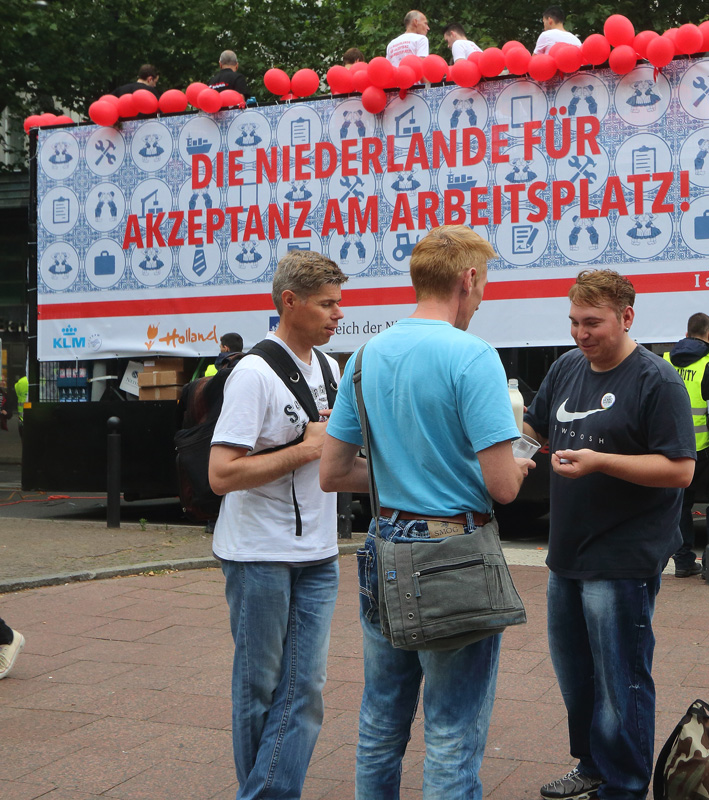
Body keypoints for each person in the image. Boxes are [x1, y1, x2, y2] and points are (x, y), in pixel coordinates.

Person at [320, 225, 533, 798]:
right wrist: (514, 466)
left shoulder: (364, 357)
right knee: (451, 732)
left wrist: (401, 470)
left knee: (379, 722)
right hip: (455, 555)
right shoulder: (474, 356)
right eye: (483, 283)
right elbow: (504, 487)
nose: (483, 296)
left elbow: (333, 473)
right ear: (468, 280)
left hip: (383, 548)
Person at [524, 269, 695, 800]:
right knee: (577, 678)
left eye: (592, 323)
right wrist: (509, 456)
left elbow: (680, 470)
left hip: (624, 557)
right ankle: (592, 766)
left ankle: (623, 785)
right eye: (574, 322)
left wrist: (602, 462)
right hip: (567, 553)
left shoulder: (655, 380)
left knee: (621, 681)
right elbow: (535, 429)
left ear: (626, 317)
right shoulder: (567, 367)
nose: (581, 334)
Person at [207, 250, 347, 800]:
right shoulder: (253, 372)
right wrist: (304, 448)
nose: (339, 316)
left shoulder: (333, 369)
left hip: (320, 551)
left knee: (306, 689)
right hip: (258, 554)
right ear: (291, 302)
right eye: (328, 305)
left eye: (340, 304)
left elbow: (333, 466)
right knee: (259, 690)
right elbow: (222, 473)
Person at [662, 311, 709, 578]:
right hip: (708, 448)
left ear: (686, 333)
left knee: (681, 505)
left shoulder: (667, 361)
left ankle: (682, 561)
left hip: (675, 447)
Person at [14, 374, 27, 438]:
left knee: (21, 424)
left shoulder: (21, 381)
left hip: (22, 410)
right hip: (33, 407)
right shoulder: (40, 379)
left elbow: (16, 390)